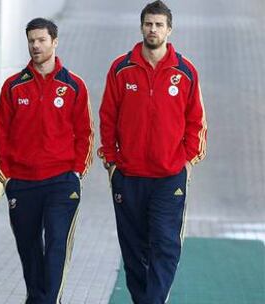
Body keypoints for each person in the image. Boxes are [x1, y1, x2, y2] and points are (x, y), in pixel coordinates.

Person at [98, 1, 207, 303]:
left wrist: (185, 160)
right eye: (148, 23)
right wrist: (111, 161)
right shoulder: (121, 68)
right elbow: (107, 115)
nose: (153, 29)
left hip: (169, 178)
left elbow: (196, 121)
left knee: (165, 245)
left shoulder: (185, 72)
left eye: (159, 24)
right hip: (129, 177)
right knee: (133, 250)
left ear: (169, 30)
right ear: (141, 26)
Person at [0, 17, 94, 304]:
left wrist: (76, 172)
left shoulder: (74, 85)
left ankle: (49, 300)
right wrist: (7, 178)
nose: (35, 46)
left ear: (54, 42)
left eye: (41, 40)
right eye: (31, 41)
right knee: (29, 249)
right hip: (22, 184)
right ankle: (38, 298)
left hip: (62, 182)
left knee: (56, 246)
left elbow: (85, 132)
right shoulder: (13, 86)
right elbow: (0, 134)